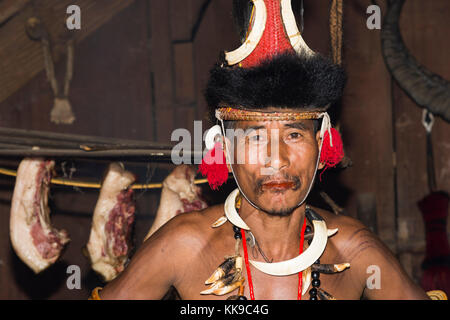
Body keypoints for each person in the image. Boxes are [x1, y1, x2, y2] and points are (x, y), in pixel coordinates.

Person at [92, 0, 429, 300]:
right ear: (223, 148)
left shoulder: (357, 252)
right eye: (254, 137)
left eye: (295, 134)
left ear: (323, 143)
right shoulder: (182, 247)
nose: (277, 160)